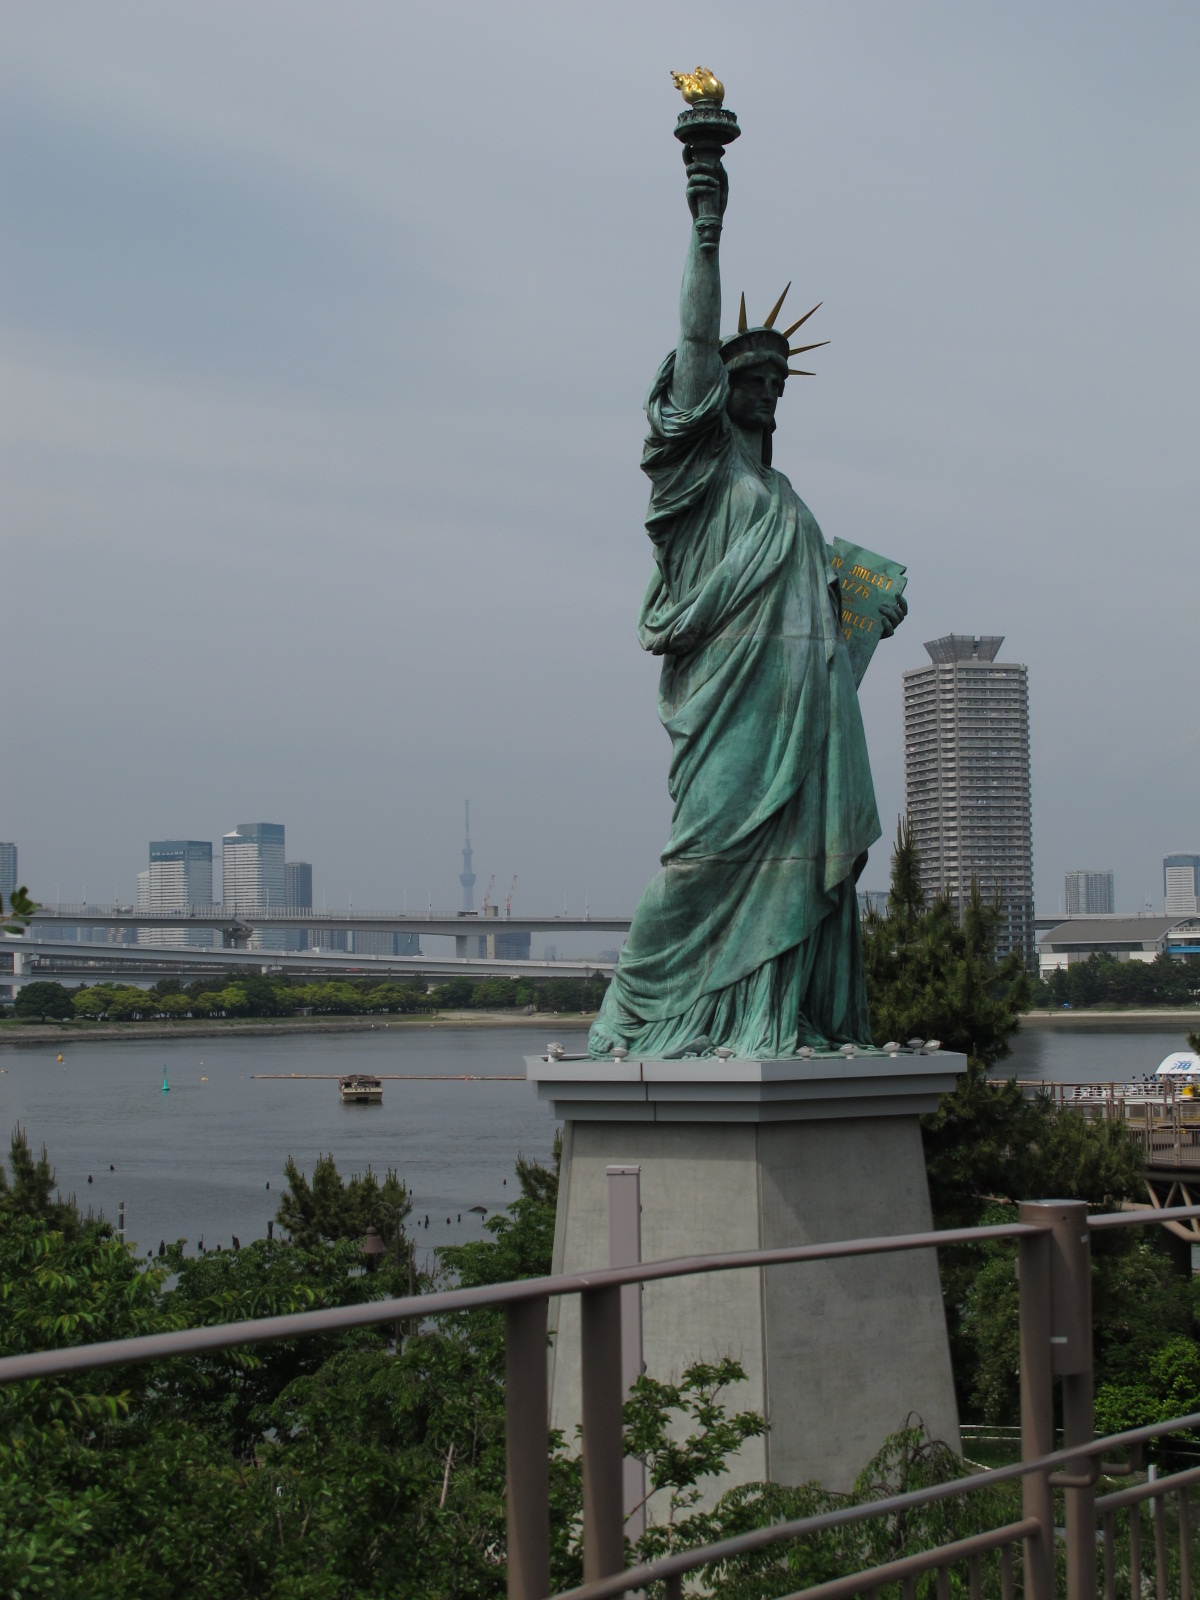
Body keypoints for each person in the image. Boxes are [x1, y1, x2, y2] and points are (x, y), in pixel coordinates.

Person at [590, 147, 904, 1061]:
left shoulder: (791, 501)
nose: (766, 390)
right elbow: (695, 342)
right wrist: (707, 225)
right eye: (750, 378)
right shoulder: (703, 475)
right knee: (704, 859)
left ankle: (779, 1013)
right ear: (716, 394)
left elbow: (816, 634)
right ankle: (635, 1012)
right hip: (727, 706)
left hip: (800, 718)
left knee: (795, 863)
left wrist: (865, 622)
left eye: (776, 381)